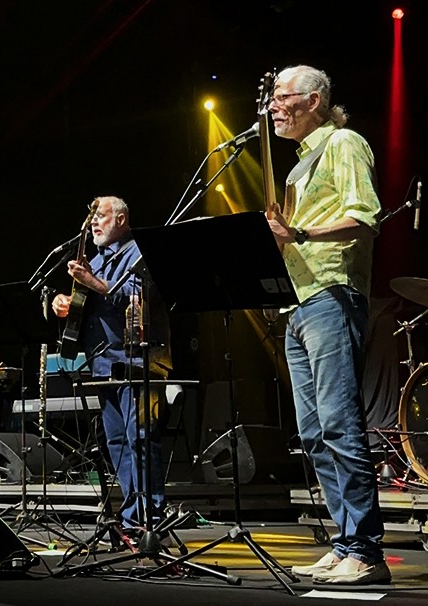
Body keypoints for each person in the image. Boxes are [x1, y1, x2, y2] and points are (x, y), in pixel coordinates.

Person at [265, 65, 389, 585]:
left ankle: (366, 551)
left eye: (281, 95)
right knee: (314, 434)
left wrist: (299, 233)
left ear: (313, 100)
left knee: (339, 424)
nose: (272, 105)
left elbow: (364, 217)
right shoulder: (298, 168)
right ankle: (344, 544)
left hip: (332, 295)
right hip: (297, 305)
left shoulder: (344, 143)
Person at [51, 196, 172, 530]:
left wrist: (90, 282)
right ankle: (133, 517)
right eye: (91, 218)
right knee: (117, 443)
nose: (94, 223)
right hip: (104, 362)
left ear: (120, 219)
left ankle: (151, 517)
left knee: (140, 439)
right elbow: (88, 302)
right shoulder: (97, 259)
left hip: (138, 361)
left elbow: (134, 297)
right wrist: (65, 302)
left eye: (100, 216)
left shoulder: (138, 252)